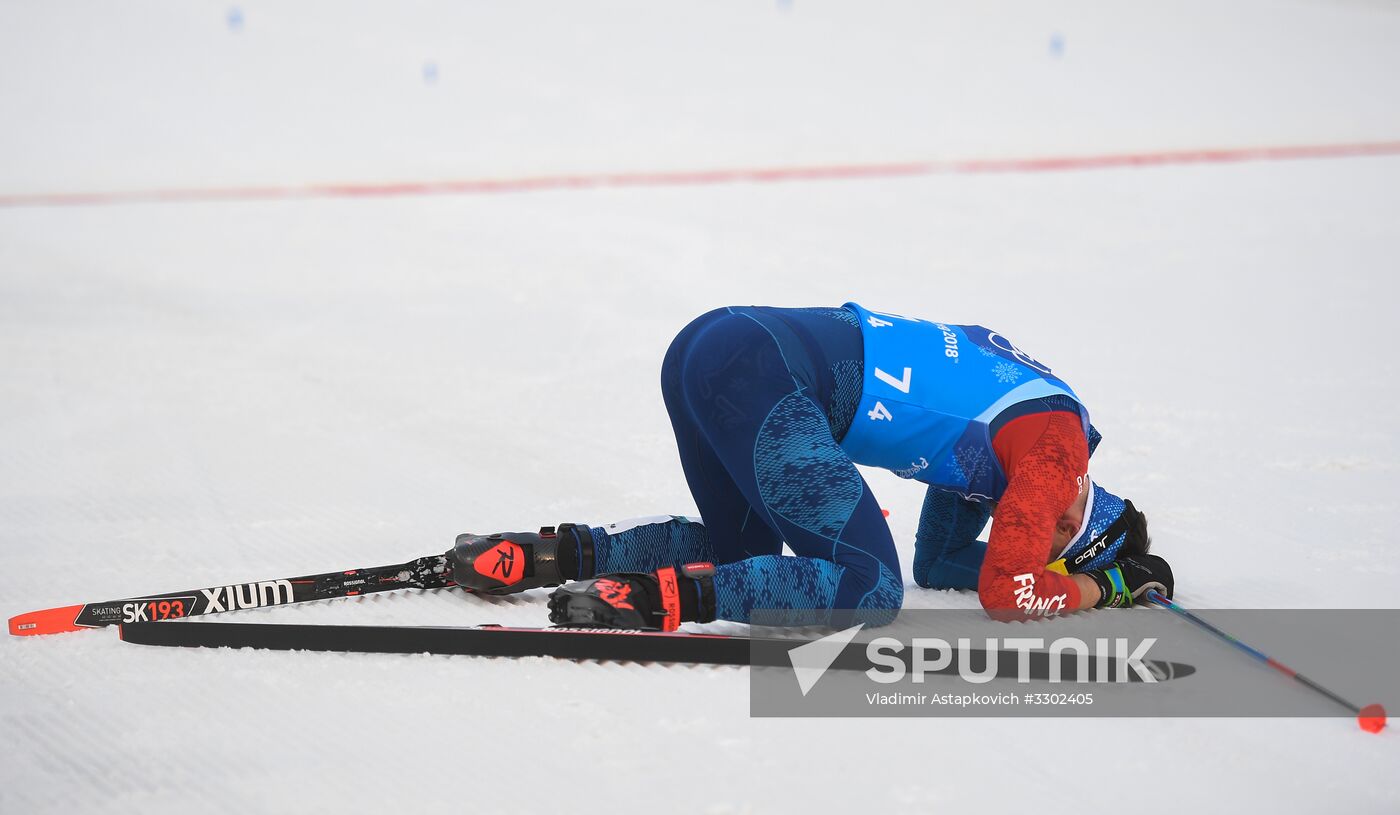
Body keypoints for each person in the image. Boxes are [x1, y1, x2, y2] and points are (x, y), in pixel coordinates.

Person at [448, 304, 1173, 630]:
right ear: (1079, 510)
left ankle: (552, 555)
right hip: (764, 373)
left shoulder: (1025, 445)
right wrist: (1103, 587)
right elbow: (1007, 593)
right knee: (870, 588)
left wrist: (1053, 572)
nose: (1030, 533)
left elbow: (940, 561)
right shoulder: (1058, 458)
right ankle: (656, 599)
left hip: (721, 343)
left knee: (742, 553)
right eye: (1052, 536)